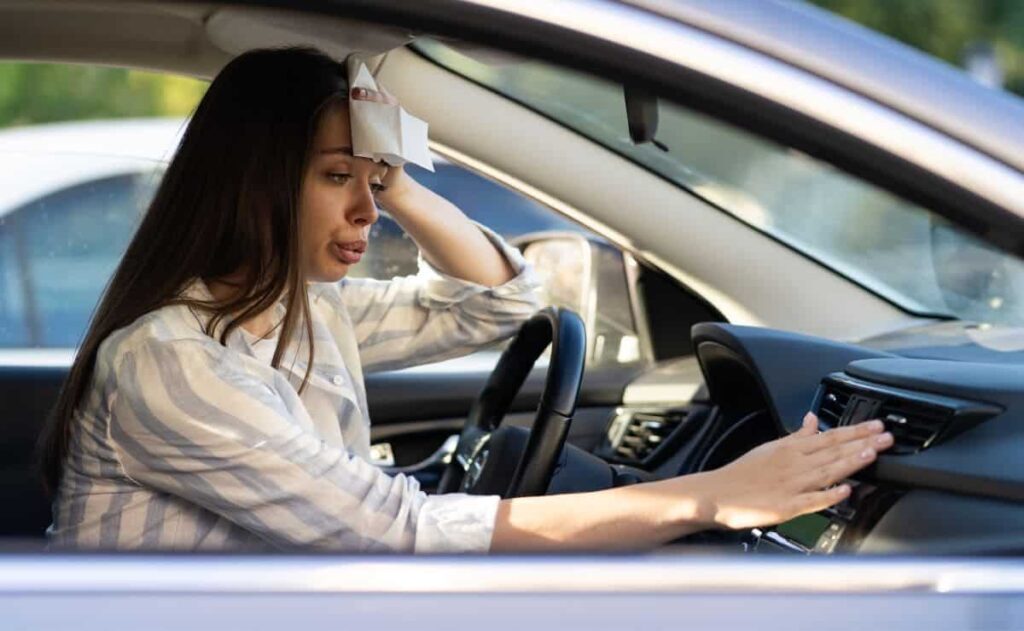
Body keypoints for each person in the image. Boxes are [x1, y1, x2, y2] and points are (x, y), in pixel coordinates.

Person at [41, 47, 893, 553]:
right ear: (253, 182)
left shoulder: (299, 311)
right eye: (338, 177)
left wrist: (397, 177)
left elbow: (495, 303)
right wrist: (710, 497)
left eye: (372, 181)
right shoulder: (171, 360)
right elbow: (391, 532)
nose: (366, 211)